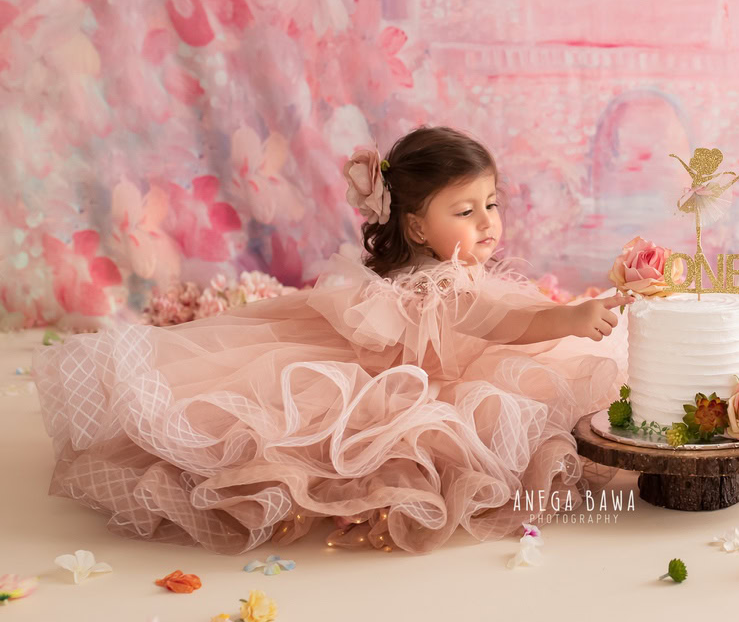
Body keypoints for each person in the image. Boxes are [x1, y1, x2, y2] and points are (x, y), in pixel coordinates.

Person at [32, 125, 632, 555]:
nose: (487, 223)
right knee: (311, 427)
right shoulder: (443, 285)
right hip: (398, 377)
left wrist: (568, 313)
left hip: (408, 358)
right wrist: (568, 322)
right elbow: (509, 323)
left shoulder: (439, 270)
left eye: (491, 205)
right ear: (417, 225)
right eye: (466, 210)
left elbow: (502, 310)